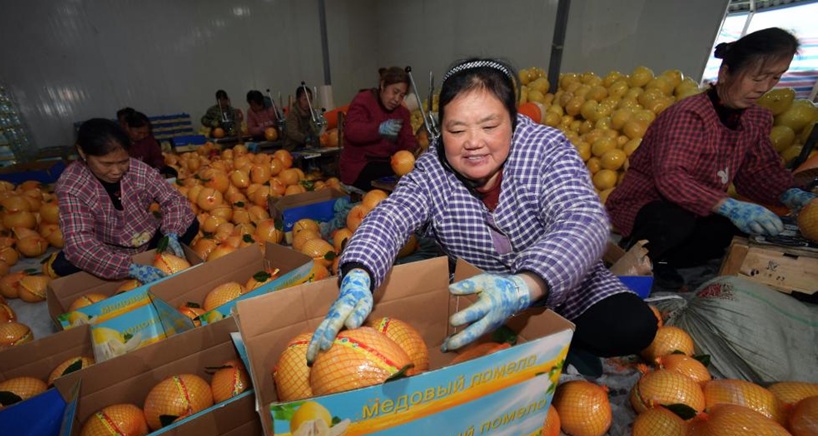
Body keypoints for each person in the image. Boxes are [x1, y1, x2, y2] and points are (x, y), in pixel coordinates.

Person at [305, 58, 658, 376]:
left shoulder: (547, 150)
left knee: (633, 326)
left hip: (570, 286)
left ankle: (564, 340)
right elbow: (391, 217)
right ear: (441, 131)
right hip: (483, 295)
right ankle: (544, 346)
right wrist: (359, 273)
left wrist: (525, 285)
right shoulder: (433, 169)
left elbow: (584, 220)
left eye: (490, 126)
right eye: (457, 130)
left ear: (514, 121)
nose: (473, 142)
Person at [606, 28, 815, 289]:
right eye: (756, 77)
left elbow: (758, 171)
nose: (763, 88)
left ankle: (669, 264)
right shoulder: (689, 115)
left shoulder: (756, 119)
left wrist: (791, 194)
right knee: (673, 221)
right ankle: (636, 258)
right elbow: (671, 178)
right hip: (650, 206)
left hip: (699, 209)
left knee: (727, 230)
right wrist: (727, 205)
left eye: (774, 78)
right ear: (726, 72)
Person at [51, 118, 198, 284]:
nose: (116, 171)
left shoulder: (137, 169)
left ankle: (154, 257)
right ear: (83, 153)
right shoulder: (72, 185)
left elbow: (173, 199)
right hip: (107, 249)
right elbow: (80, 244)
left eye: (123, 162)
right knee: (64, 264)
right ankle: (125, 269)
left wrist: (171, 233)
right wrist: (129, 268)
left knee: (190, 222)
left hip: (145, 239)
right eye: (106, 164)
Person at [339, 66, 418, 191]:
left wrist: (412, 152)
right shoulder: (364, 100)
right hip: (360, 166)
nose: (397, 99)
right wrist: (378, 129)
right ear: (382, 85)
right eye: (394, 92)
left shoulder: (402, 113)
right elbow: (352, 132)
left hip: (388, 164)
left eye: (402, 95)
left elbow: (407, 140)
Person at [283, 86, 319, 152]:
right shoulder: (293, 113)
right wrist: (306, 139)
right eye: (305, 99)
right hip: (293, 147)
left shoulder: (312, 112)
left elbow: (315, 127)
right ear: (298, 100)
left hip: (308, 146)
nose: (308, 102)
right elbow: (292, 132)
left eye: (310, 99)